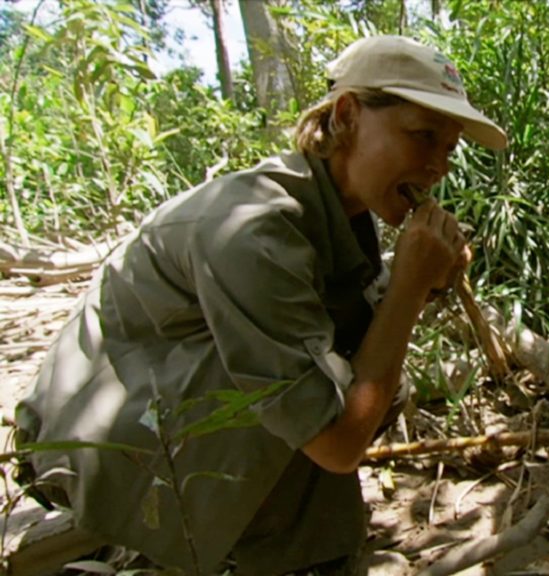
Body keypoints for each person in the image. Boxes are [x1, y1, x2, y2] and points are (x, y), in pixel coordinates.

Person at [14, 35, 507, 575]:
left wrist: (423, 283)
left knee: (353, 368)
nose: (438, 165)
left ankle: (284, 546)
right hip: (90, 452)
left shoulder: (340, 216)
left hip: (164, 428)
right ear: (347, 115)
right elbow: (338, 443)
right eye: (423, 135)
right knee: (326, 396)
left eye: (449, 148)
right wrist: (409, 289)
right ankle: (157, 545)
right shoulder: (252, 229)